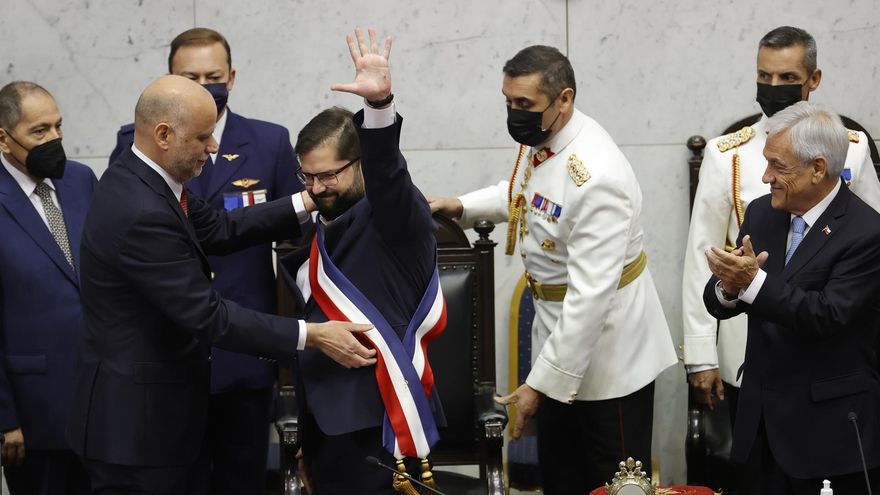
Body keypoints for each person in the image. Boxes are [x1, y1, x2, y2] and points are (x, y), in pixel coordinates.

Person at [67, 74, 375, 494]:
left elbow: (220, 228)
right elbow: (208, 316)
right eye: (202, 137)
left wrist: (311, 196)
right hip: (135, 430)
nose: (213, 147)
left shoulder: (146, 179)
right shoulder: (141, 209)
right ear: (164, 135)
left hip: (155, 417)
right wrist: (313, 335)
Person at [429, 45, 678, 493]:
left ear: (564, 98)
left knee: (612, 484)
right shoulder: (547, 138)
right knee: (561, 479)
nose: (514, 113)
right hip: (557, 342)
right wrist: (461, 206)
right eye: (508, 101)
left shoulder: (597, 176)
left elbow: (590, 299)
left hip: (610, 359)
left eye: (524, 103)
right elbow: (528, 194)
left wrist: (537, 386)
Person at [107, 28, 304, 493]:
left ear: (231, 77)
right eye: (189, 77)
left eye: (212, 77)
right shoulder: (138, 146)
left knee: (244, 481)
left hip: (245, 351)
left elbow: (293, 245)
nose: (203, 86)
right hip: (169, 357)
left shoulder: (269, 141)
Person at [276, 28, 444, 495]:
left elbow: (388, 173)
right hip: (326, 425)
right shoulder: (322, 224)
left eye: (328, 175)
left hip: (381, 425)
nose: (316, 188)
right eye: (307, 176)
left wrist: (379, 107)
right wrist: (307, 435)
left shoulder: (396, 216)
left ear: (360, 163)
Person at [683, 26, 880, 417]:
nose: (773, 87)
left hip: (830, 353)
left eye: (787, 77)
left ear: (813, 79)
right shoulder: (727, 154)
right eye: (764, 76)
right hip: (749, 349)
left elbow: (868, 244)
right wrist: (700, 353)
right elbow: (703, 256)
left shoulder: (851, 147)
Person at [703, 101, 880, 494]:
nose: (765, 176)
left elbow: (826, 314)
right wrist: (728, 288)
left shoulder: (866, 232)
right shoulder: (762, 213)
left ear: (818, 168)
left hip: (826, 434)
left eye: (777, 166)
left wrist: (752, 283)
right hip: (759, 425)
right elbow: (724, 296)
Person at [0, 81, 95, 494]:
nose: (54, 139)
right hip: (33, 414)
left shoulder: (81, 179)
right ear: (4, 138)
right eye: (39, 131)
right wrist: (5, 418)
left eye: (58, 126)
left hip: (101, 407)